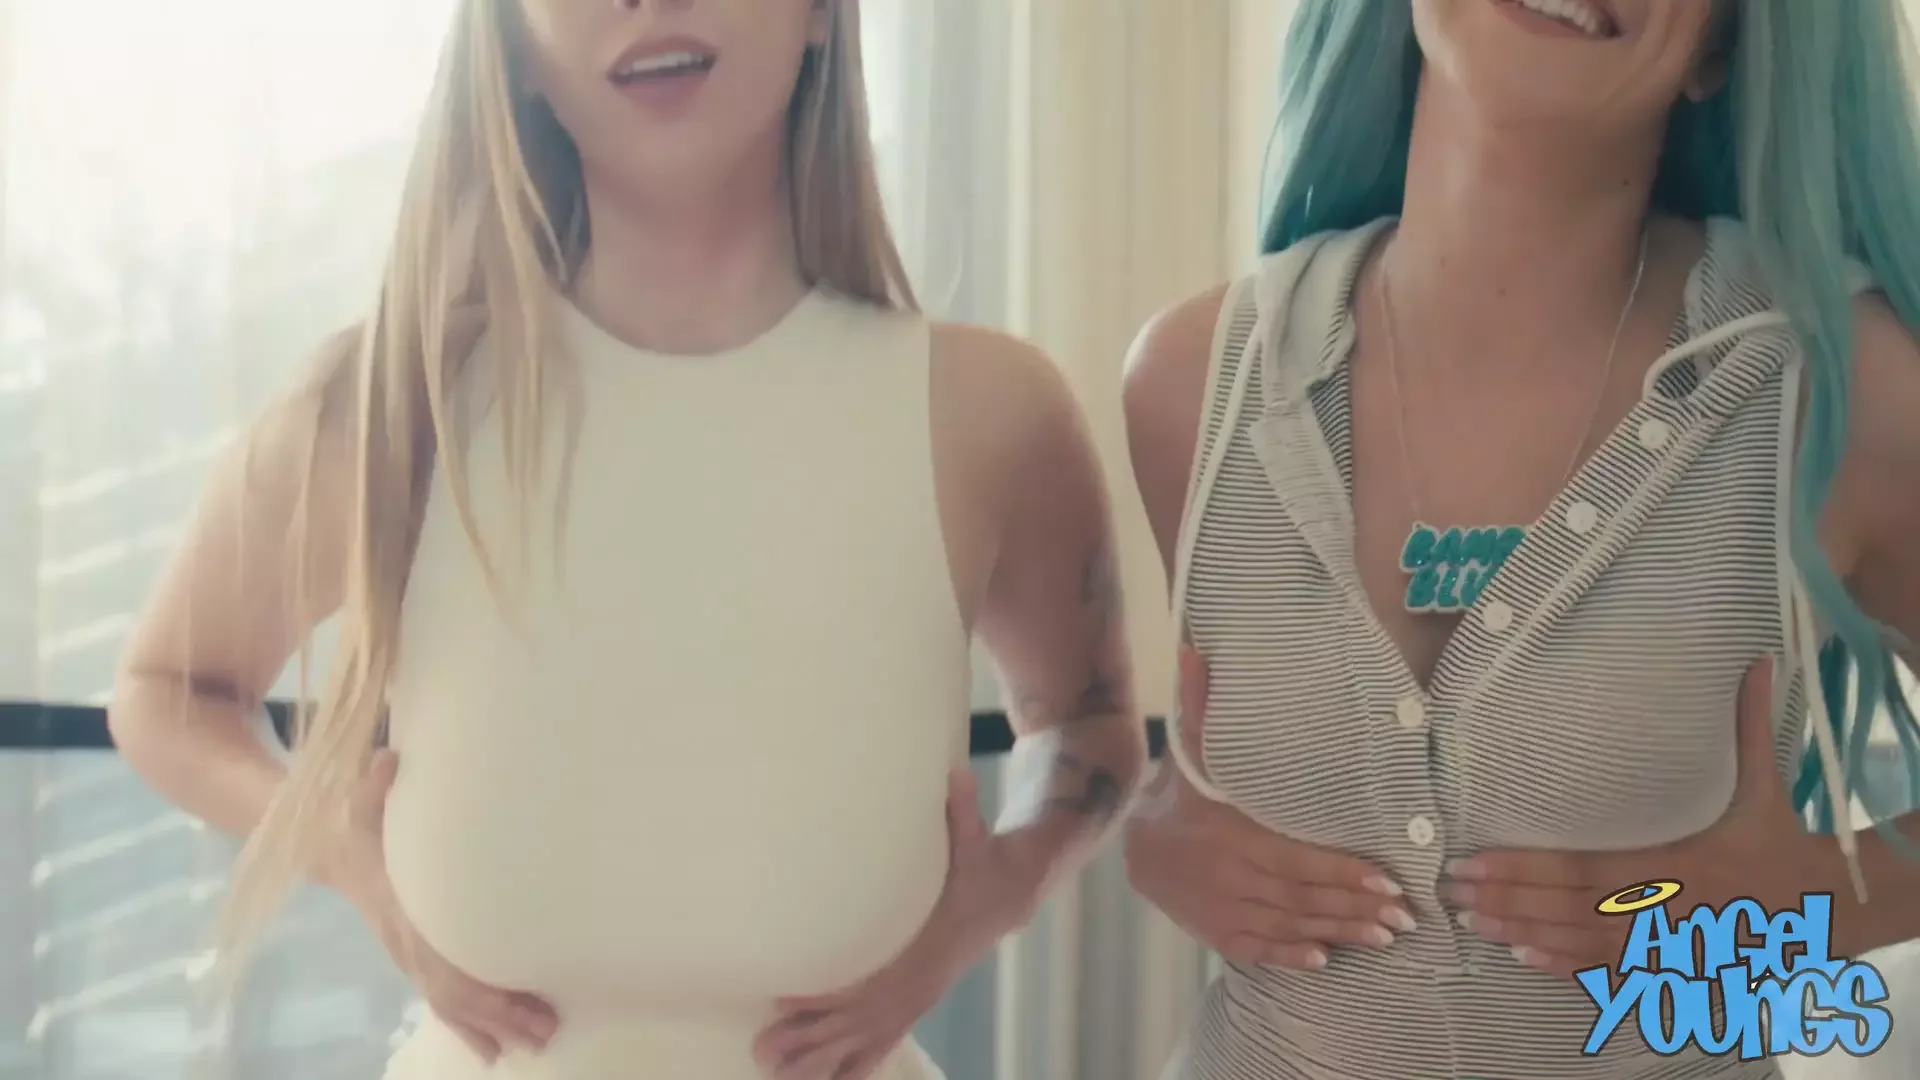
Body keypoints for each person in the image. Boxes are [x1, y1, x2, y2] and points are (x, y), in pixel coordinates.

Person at [105, 2, 1146, 1078]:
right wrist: (344, 851)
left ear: (820, 16)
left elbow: (1091, 724)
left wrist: (999, 892)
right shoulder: (390, 410)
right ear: (514, 51)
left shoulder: (987, 415)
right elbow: (163, 691)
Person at [1121, 1, 1920, 1077]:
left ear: (1720, 45)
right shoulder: (1189, 385)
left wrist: (1827, 897)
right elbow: (1167, 759)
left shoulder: (1841, 394)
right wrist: (1146, 832)